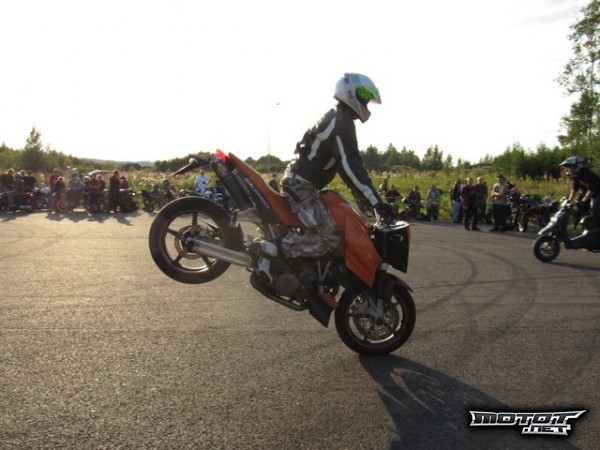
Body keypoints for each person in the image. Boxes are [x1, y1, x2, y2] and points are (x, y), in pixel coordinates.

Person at [275, 72, 388, 272]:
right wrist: (377, 203)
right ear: (350, 93)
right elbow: (351, 166)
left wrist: (362, 198)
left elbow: (347, 169)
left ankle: (306, 269)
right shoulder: (341, 122)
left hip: (301, 183)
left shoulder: (338, 118)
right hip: (300, 185)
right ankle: (278, 252)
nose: (366, 100)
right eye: (363, 94)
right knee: (329, 237)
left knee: (332, 222)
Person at [559, 156, 600, 224]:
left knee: (594, 207)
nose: (569, 169)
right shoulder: (576, 176)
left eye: (570, 167)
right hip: (590, 193)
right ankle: (590, 224)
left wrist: (583, 201)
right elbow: (574, 190)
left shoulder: (587, 174)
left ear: (578, 166)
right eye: (568, 167)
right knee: (580, 207)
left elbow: (592, 189)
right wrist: (569, 201)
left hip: (597, 193)